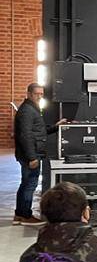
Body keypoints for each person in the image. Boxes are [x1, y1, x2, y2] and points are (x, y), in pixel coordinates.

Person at [13, 82, 64, 226]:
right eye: (37, 94)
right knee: (30, 184)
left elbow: (38, 131)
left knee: (26, 184)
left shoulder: (32, 109)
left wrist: (55, 127)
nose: (40, 96)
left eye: (41, 94)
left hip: (32, 153)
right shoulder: (27, 111)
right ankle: (25, 215)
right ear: (29, 94)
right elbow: (26, 136)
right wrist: (32, 157)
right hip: (31, 154)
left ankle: (20, 214)